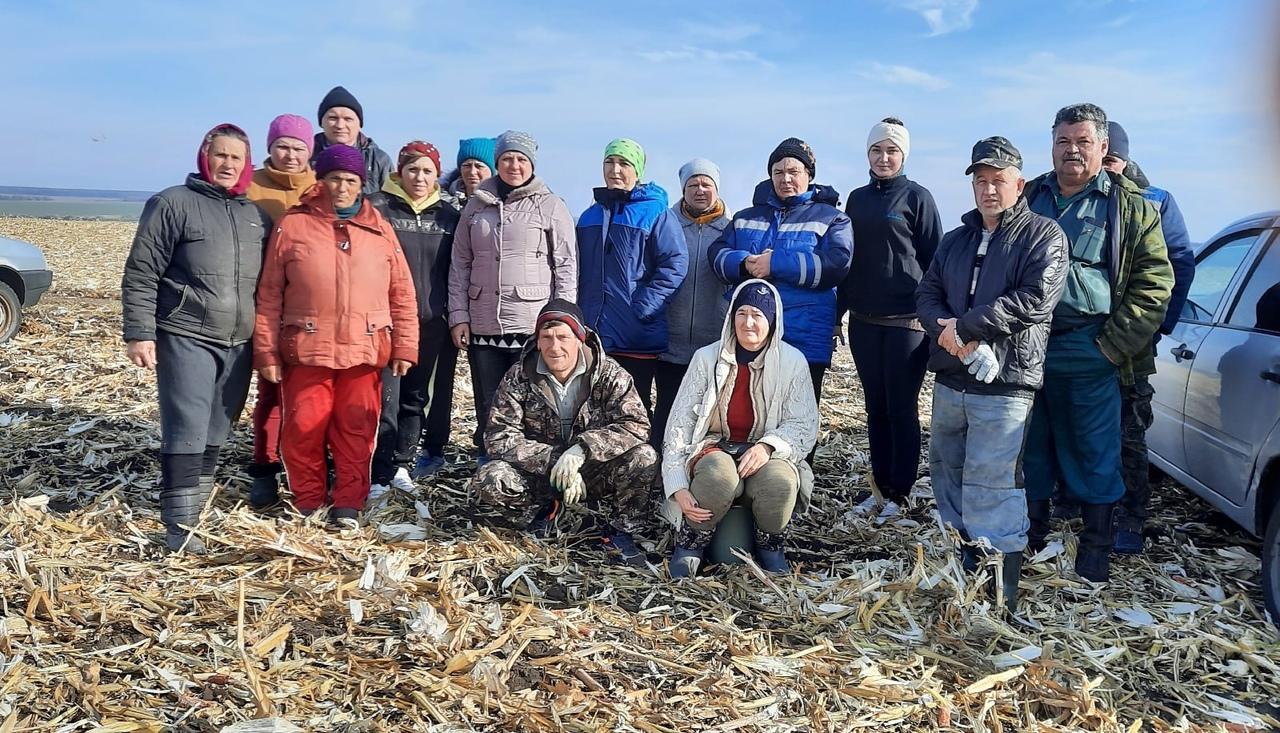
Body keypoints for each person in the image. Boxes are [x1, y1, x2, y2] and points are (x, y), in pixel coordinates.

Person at [915, 137, 1068, 612]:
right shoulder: (955, 240)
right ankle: (965, 562)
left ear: (1018, 184)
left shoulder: (1044, 236)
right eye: (980, 181)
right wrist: (949, 333)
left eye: (997, 180)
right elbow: (927, 294)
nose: (988, 189)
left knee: (993, 480)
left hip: (1006, 384)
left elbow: (1034, 300)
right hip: (950, 378)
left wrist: (966, 327)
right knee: (947, 470)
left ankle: (999, 593)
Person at [1022, 103, 1173, 583]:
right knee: (1032, 444)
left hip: (1091, 346)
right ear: (1052, 144)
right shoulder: (1028, 197)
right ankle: (1031, 536)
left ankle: (1095, 548)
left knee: (1096, 449)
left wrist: (1111, 346)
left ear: (1103, 147)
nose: (1072, 150)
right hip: (1029, 344)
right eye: (1064, 140)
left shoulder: (1131, 207)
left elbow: (1155, 283)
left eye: (1083, 141)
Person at [121, 123, 271, 552]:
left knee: (216, 431)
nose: (227, 163)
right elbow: (142, 270)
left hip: (239, 341)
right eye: (220, 154)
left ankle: (196, 511)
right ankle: (179, 529)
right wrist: (140, 332)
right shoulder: (172, 203)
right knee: (186, 428)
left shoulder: (253, 216)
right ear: (205, 156)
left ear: (247, 165)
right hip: (186, 332)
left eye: (236, 157)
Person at [253, 144, 419, 527]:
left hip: (365, 347)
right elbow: (270, 293)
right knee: (303, 428)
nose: (342, 187)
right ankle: (309, 499)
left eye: (350, 180)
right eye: (333, 179)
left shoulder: (378, 227)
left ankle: (348, 501)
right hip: (308, 347)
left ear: (361, 184)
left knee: (356, 429)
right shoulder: (293, 224)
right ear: (320, 180)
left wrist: (405, 345)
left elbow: (402, 292)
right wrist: (266, 352)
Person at [471, 300, 658, 566]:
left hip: (593, 470)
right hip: (541, 474)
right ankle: (543, 514)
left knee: (644, 457)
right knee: (491, 477)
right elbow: (499, 436)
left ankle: (620, 531)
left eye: (563, 337)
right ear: (537, 341)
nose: (554, 346)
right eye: (546, 337)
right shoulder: (519, 376)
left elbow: (636, 425)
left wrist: (582, 450)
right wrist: (556, 460)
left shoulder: (609, 374)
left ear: (579, 339)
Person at [662, 279, 818, 576]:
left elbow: (804, 423)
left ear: (772, 321)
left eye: (758, 315)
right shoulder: (706, 358)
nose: (748, 322)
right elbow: (679, 424)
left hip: (764, 450)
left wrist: (769, 446)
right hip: (714, 446)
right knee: (718, 478)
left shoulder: (793, 362)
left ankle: (771, 547)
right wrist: (677, 485)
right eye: (741, 313)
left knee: (780, 483)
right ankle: (691, 543)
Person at [447, 130, 578, 464]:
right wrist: (458, 316)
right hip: (483, 322)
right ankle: (489, 460)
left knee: (532, 397)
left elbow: (564, 266)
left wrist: (562, 321)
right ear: (497, 163)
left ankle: (531, 461)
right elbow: (460, 263)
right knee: (488, 399)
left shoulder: (550, 205)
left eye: (521, 159)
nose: (513, 165)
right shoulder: (477, 206)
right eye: (507, 158)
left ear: (531, 164)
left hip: (531, 322)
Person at [1102, 121, 1197, 555]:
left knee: (1130, 431)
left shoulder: (1155, 200)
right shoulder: (1076, 196)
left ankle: (1132, 516)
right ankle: (1073, 503)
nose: (1108, 169)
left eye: (1113, 161)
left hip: (1134, 341)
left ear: (1124, 157)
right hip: (1083, 338)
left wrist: (1159, 326)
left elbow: (1179, 262)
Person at [841, 118, 943, 518]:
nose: (884, 158)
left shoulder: (918, 197)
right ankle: (879, 488)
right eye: (877, 150)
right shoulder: (857, 199)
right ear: (867, 154)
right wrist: (838, 316)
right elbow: (848, 261)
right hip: (865, 321)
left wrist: (936, 317)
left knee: (901, 408)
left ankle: (901, 492)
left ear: (903, 156)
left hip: (908, 322)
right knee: (874, 408)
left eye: (891, 151)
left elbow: (936, 260)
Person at [708, 138, 853, 407]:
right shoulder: (745, 216)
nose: (785, 178)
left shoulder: (832, 218)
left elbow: (836, 265)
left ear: (809, 175)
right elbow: (716, 255)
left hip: (805, 337)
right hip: (751, 336)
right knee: (750, 415)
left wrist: (777, 264)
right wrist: (744, 263)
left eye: (793, 171)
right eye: (778, 172)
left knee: (799, 419)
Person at [366, 141, 460, 499]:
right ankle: (379, 471)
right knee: (385, 399)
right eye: (413, 169)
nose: (420, 177)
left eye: (427, 171)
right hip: (387, 322)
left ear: (437, 175)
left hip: (432, 321)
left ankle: (404, 464)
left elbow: (457, 268)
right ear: (400, 171)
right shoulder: (377, 207)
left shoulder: (448, 216)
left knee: (415, 398)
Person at [575, 139, 687, 415]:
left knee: (633, 408)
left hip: (634, 333)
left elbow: (675, 262)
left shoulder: (655, 212)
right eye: (609, 162)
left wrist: (644, 306)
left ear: (638, 171)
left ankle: (639, 457)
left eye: (624, 164)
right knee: (593, 407)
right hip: (594, 333)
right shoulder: (590, 215)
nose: (615, 170)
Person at [245, 114, 319, 508]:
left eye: (299, 147)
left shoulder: (321, 189)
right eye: (283, 146)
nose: (290, 155)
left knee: (310, 395)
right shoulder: (250, 187)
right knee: (271, 392)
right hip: (267, 302)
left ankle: (306, 466)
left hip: (313, 310)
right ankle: (266, 465)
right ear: (270, 147)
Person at [653, 158, 732, 447]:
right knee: (667, 408)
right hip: (669, 343)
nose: (700, 190)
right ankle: (660, 470)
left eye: (706, 184)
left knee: (705, 412)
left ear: (717, 188)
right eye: (693, 184)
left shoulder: (731, 230)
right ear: (683, 189)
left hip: (711, 341)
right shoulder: (665, 224)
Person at [311, 86, 392, 195]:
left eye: (348, 119)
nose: (340, 125)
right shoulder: (306, 155)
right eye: (333, 118)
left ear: (359, 124)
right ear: (321, 123)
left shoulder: (378, 159)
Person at [444, 137, 497, 203]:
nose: (472, 172)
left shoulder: (503, 204)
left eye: (479, 166)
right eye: (467, 166)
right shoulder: (442, 203)